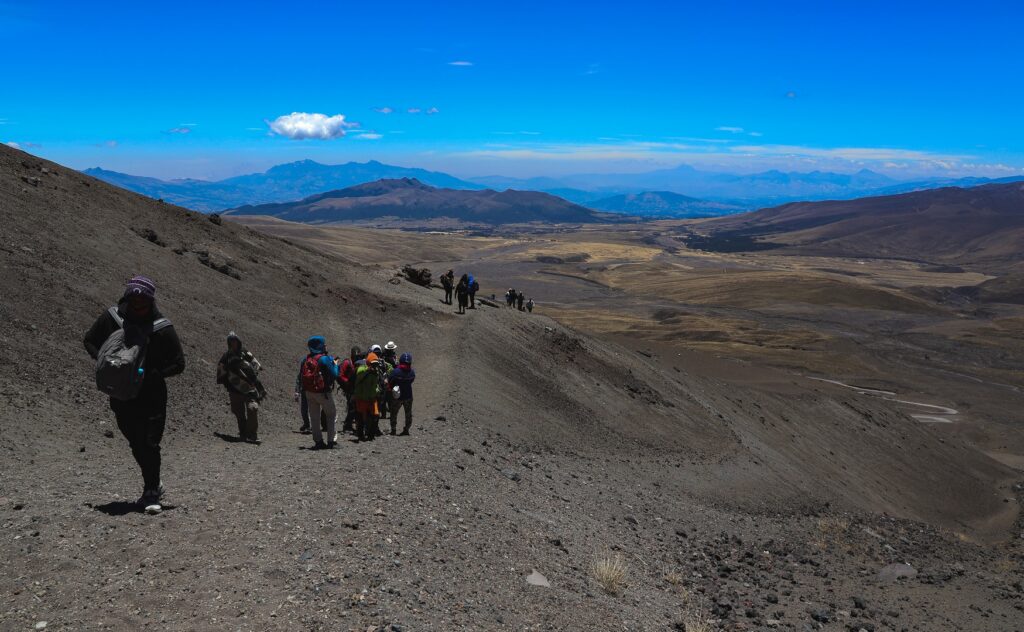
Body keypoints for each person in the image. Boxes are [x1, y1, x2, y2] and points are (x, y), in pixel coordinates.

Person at [83, 275, 185, 511]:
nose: (138, 308)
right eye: (134, 302)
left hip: (152, 396)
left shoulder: (161, 328)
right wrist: (106, 363)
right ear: (127, 298)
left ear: (151, 302)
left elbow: (178, 363)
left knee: (149, 441)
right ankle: (153, 480)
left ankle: (151, 492)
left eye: (143, 304)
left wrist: (153, 374)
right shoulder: (113, 319)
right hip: (121, 392)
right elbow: (90, 340)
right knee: (135, 440)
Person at [216, 332, 265, 444]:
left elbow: (255, 363)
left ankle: (252, 434)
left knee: (253, 408)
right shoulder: (226, 356)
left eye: (235, 340)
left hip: (249, 388)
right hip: (234, 389)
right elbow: (221, 371)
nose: (233, 343)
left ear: (238, 341)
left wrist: (253, 374)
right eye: (231, 341)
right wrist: (226, 383)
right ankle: (243, 433)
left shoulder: (244, 352)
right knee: (239, 413)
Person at [300, 335, 339, 449]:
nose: (325, 345)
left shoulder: (306, 359)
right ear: (320, 345)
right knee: (331, 415)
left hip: (309, 392)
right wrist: (336, 365)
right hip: (323, 392)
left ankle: (318, 441)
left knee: (314, 417)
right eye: (324, 344)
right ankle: (331, 441)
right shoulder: (324, 359)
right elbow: (335, 374)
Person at [353, 352, 383, 441]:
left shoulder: (376, 372)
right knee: (360, 417)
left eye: (376, 363)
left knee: (375, 416)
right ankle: (360, 435)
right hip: (361, 398)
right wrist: (368, 370)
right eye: (373, 363)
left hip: (371, 398)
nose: (375, 365)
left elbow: (375, 384)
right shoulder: (362, 369)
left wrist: (377, 391)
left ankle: (371, 435)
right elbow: (359, 374)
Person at [387, 352, 416, 436]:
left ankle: (393, 429)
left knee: (394, 413)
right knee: (408, 413)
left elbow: (390, 382)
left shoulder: (395, 372)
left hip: (397, 396)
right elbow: (411, 380)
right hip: (408, 395)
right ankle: (406, 429)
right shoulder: (412, 373)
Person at [337, 346, 361, 433]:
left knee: (353, 407)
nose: (356, 357)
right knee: (352, 407)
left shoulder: (357, 363)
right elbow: (340, 375)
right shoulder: (347, 363)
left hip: (354, 387)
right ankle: (347, 426)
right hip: (348, 388)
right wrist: (347, 383)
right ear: (351, 355)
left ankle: (349, 425)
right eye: (355, 356)